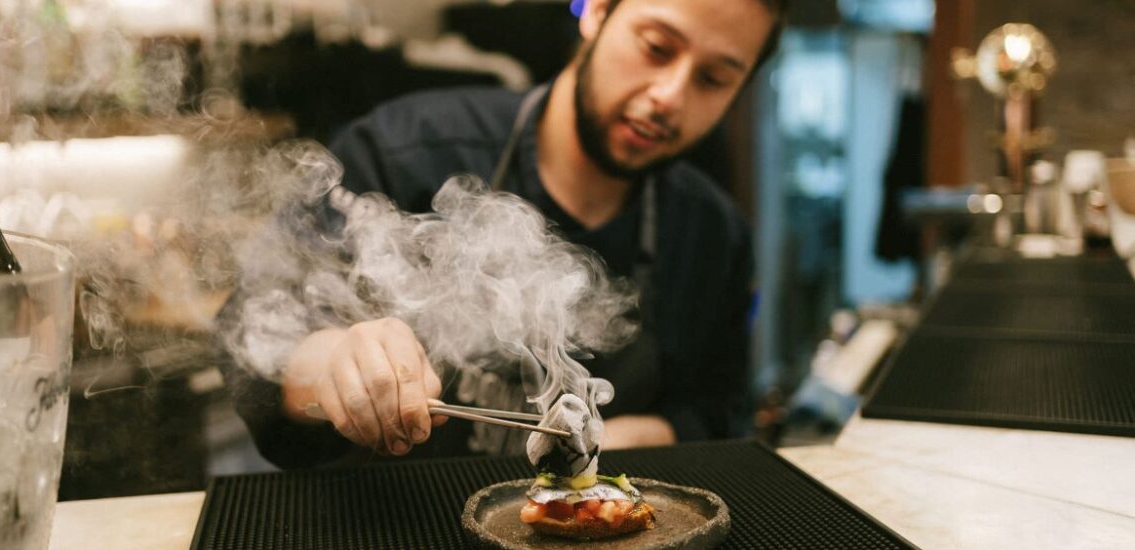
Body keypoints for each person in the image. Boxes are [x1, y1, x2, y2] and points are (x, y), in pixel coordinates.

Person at [220, 0, 786, 469]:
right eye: (656, 48)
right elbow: (254, 337)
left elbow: (718, 412)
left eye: (713, 79)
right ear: (597, 13)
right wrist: (333, 362)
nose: (670, 95)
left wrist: (654, 435)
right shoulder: (402, 151)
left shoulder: (712, 233)